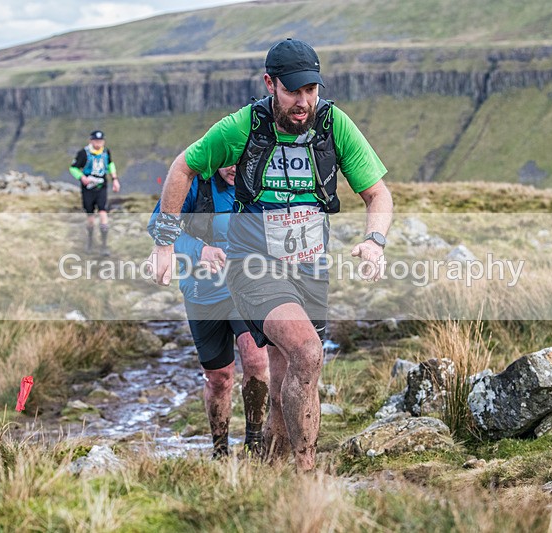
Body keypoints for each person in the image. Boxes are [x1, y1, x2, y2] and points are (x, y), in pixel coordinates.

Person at [148, 38, 393, 471]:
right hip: (253, 264)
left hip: (310, 264)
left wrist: (374, 240)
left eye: (311, 91)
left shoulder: (335, 125)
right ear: (270, 84)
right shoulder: (241, 127)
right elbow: (182, 167)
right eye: (293, 91)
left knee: (285, 374)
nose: (303, 102)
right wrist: (166, 242)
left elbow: (377, 193)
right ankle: (307, 474)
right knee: (307, 351)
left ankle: (274, 466)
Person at [148, 165, 270, 459]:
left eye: (241, 161)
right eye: (229, 162)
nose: (235, 169)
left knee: (255, 359)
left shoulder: (258, 181)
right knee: (219, 378)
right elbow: (157, 224)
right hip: (203, 295)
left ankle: (254, 444)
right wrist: (198, 249)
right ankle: (220, 450)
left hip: (246, 289)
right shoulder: (193, 184)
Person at [70, 130, 120, 255]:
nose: (98, 143)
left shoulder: (106, 152)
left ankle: (104, 245)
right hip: (87, 189)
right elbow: (73, 167)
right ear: (91, 141)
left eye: (101, 141)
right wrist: (82, 177)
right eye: (96, 141)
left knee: (103, 212)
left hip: (101, 187)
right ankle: (90, 241)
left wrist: (114, 179)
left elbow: (110, 164)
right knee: (90, 216)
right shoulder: (83, 153)